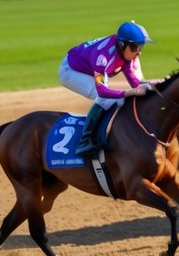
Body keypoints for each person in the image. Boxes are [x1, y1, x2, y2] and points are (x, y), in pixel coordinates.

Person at [59, 20, 157, 158]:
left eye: (141, 47)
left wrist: (150, 85)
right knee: (105, 99)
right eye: (135, 47)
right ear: (123, 45)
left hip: (86, 68)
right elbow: (102, 91)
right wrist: (128, 93)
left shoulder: (125, 53)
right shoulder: (103, 57)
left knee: (114, 100)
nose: (139, 52)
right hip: (70, 71)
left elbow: (135, 82)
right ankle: (84, 142)